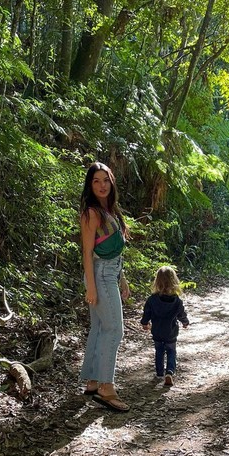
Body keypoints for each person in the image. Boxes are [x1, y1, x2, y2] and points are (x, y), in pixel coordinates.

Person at [79, 161, 130, 411]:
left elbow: (116, 252)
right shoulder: (91, 213)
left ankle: (92, 381)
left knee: (99, 328)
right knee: (114, 330)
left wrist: (122, 278)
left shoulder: (110, 211)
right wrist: (91, 286)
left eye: (106, 180)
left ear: (111, 182)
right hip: (99, 275)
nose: (102, 185)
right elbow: (87, 253)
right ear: (90, 185)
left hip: (111, 273)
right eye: (96, 181)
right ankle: (106, 388)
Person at [141, 266, 189, 386]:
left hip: (157, 331)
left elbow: (147, 313)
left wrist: (145, 323)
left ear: (157, 281)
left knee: (159, 351)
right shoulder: (177, 301)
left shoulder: (152, 300)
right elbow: (181, 314)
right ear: (174, 281)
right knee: (172, 351)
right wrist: (185, 322)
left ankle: (159, 372)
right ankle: (170, 372)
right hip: (171, 332)